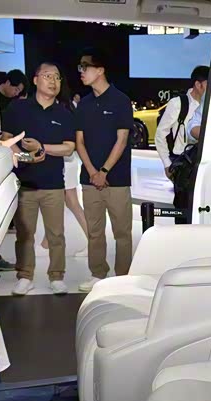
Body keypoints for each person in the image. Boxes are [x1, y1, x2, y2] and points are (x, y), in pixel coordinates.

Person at [1, 62, 76, 296]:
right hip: (25, 184)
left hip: (53, 184)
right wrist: (27, 157)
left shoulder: (64, 113)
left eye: (57, 77)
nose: (53, 81)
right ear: (35, 80)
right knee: (25, 235)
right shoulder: (18, 108)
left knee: (56, 234)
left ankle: (57, 276)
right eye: (47, 76)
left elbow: (69, 148)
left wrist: (41, 148)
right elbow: (6, 141)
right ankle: (25, 276)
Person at [74, 48, 134, 293]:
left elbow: (122, 140)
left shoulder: (121, 100)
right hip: (90, 179)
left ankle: (123, 277)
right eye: (80, 67)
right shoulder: (84, 104)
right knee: (95, 231)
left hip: (116, 179)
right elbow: (79, 142)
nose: (81, 72)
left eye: (85, 67)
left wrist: (104, 171)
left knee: (122, 232)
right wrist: (93, 172)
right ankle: (97, 273)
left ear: (100, 70)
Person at [40, 82, 89, 257]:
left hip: (65, 162)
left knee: (71, 203)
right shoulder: (66, 109)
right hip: (65, 162)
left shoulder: (61, 112)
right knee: (61, 203)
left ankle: (94, 242)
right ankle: (46, 243)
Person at [155, 65, 208, 225]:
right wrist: (167, 164)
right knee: (183, 209)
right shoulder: (178, 103)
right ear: (198, 84)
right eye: (209, 83)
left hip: (203, 162)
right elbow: (160, 134)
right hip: (183, 164)